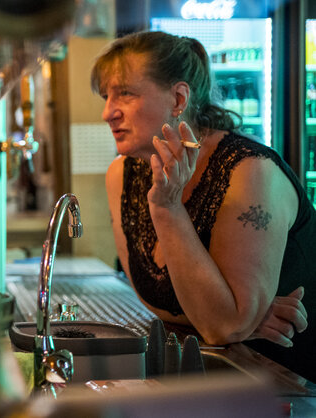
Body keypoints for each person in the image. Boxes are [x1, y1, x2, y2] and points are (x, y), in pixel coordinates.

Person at [91, 31, 315, 381]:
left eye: (126, 94)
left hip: (291, 380)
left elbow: (224, 325)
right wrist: (238, 319)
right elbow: (157, 301)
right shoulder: (123, 173)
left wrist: (166, 209)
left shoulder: (249, 170)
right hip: (225, 373)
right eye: (106, 96)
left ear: (178, 98)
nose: (108, 112)